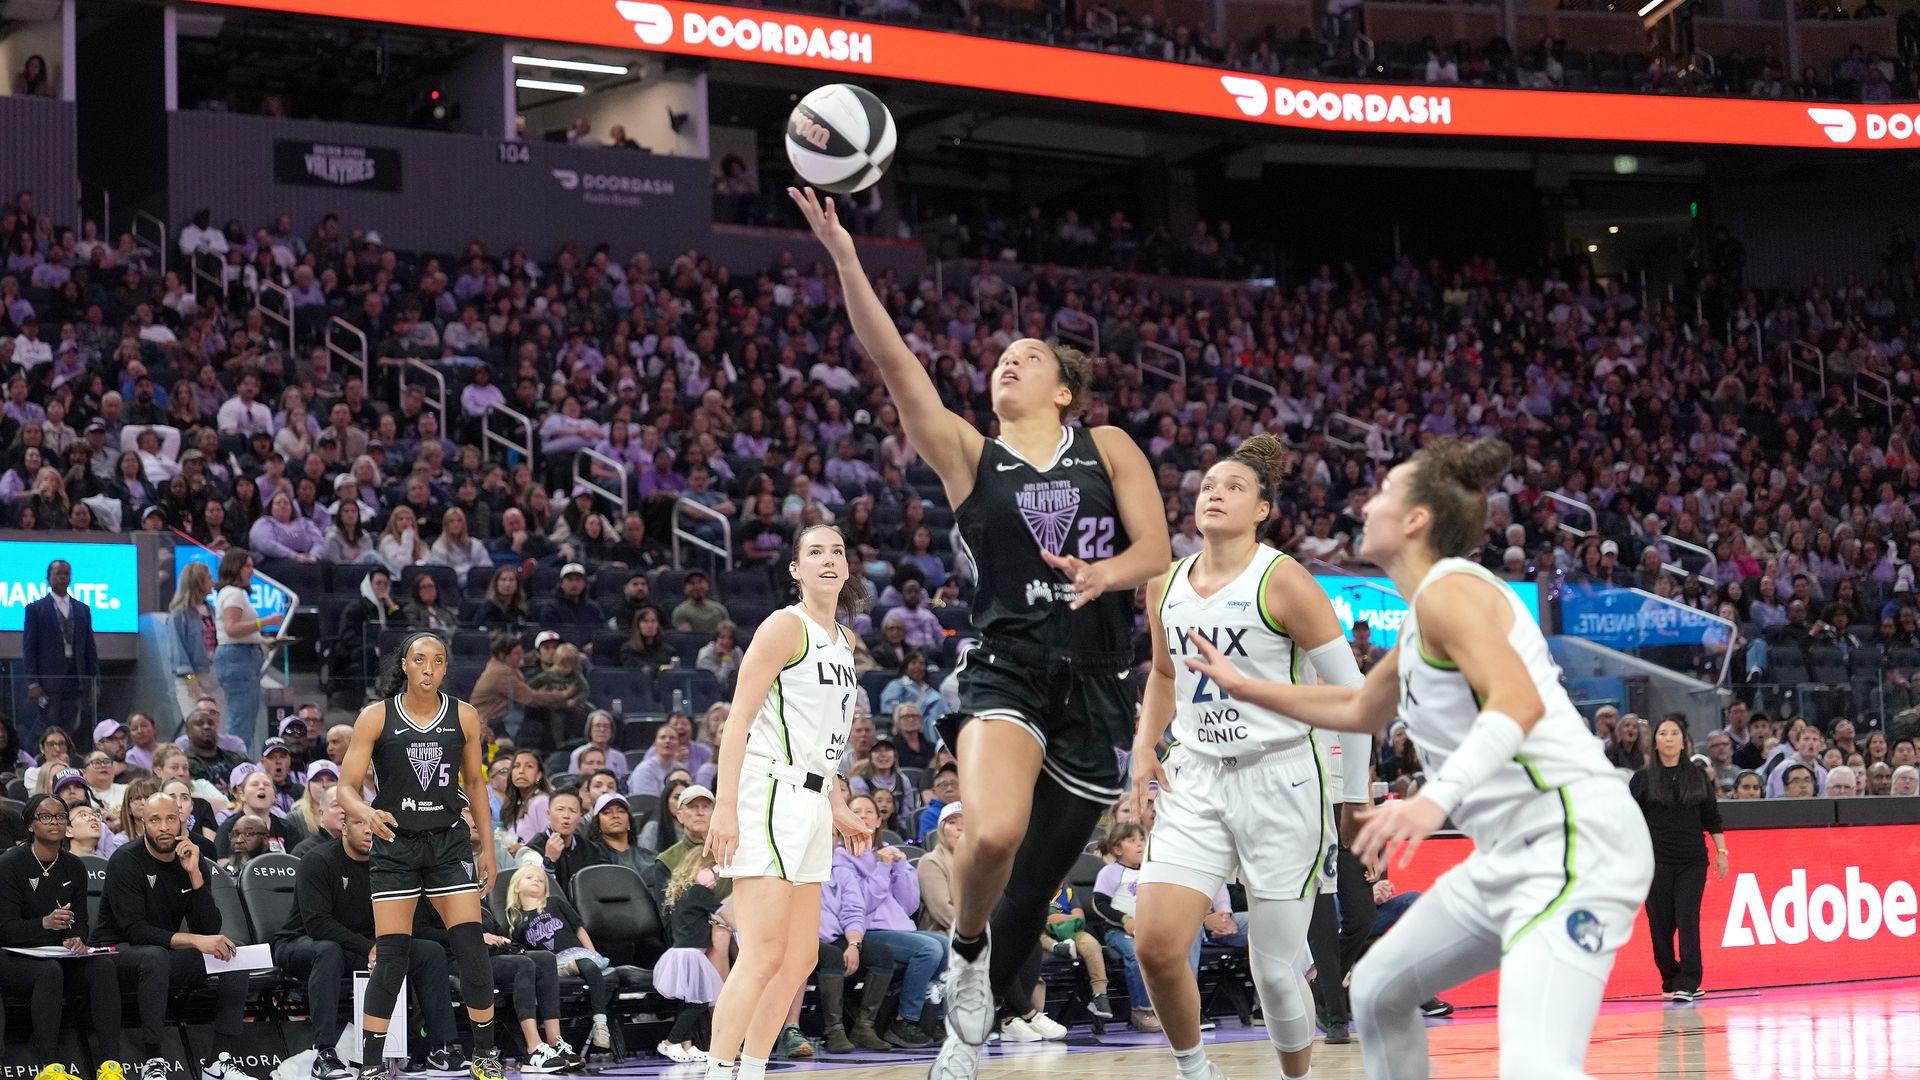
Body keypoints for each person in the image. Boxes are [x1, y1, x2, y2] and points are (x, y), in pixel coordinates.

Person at [790, 186, 1168, 1080]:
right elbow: (892, 364)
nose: (1008, 364)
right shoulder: (971, 454)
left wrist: (1103, 575)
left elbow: (1153, 547)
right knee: (991, 835)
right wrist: (847, 259)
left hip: (1100, 674)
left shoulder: (1107, 446)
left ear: (1064, 389)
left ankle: (984, 995)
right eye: (1001, 357)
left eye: (1027, 357)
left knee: (1032, 891)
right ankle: (962, 961)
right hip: (1006, 665)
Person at [1183, 435, 1655, 1080]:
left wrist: (1434, 799)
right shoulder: (1419, 618)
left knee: (1538, 1066)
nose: (1366, 503)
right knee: (1379, 990)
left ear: (1414, 521)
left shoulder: (1450, 591)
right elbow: (1355, 709)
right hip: (1511, 857)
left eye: (1382, 494)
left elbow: (1516, 704)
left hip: (1578, 840)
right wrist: (1244, 686)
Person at [1132, 433, 1368, 1073]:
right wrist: (1141, 749)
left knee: (1274, 969)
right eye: (1208, 485)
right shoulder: (1168, 582)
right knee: (1155, 944)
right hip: (1196, 777)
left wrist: (1358, 797)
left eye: (1234, 487)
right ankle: (1194, 1069)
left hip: (1283, 777)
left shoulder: (1283, 578)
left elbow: (1353, 693)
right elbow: (1161, 675)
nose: (1215, 493)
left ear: (1262, 508)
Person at [701, 523, 874, 1080]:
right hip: (768, 792)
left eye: (837, 552)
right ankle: (718, 1070)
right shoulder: (783, 626)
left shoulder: (845, 641)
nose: (829, 560)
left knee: (799, 958)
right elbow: (738, 722)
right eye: (815, 552)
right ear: (797, 570)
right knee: (762, 952)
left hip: (811, 799)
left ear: (847, 569)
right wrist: (725, 807)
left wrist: (837, 801)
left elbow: (827, 738)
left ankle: (751, 1068)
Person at [333, 631, 506, 1080]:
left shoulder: (464, 717)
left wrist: (487, 848)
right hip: (396, 844)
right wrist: (365, 812)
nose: (429, 667)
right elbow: (345, 788)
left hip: (448, 841)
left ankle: (485, 1055)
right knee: (392, 955)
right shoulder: (375, 717)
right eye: (420, 659)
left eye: (438, 660)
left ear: (446, 668)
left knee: (471, 949)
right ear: (405, 666)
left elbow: (477, 785)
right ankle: (370, 1066)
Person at [272, 803, 463, 1080]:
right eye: (360, 823)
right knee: (329, 951)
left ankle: (441, 1048)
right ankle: (324, 1054)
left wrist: (384, 945)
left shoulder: (387, 866)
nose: (369, 831)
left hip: (359, 947)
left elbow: (406, 916)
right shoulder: (318, 860)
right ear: (344, 827)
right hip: (301, 943)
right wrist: (372, 947)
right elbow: (317, 923)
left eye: (374, 825)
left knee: (428, 951)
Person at [99, 793, 259, 1080]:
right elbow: (135, 930)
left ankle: (219, 1061)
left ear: (182, 820)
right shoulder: (125, 860)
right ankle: (153, 1060)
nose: (164, 827)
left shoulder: (192, 856)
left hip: (163, 952)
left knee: (235, 953)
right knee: (154, 957)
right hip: (115, 955)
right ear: (142, 824)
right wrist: (196, 941)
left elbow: (209, 928)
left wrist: (195, 875)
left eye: (171, 818)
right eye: (155, 820)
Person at [0, 794, 127, 1080]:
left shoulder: (73, 866)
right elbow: (4, 928)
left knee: (103, 966)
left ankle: (111, 1065)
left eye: (60, 816)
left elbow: (79, 922)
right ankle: (50, 1068)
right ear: (31, 825)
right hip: (12, 956)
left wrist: (76, 939)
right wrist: (45, 924)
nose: (55, 821)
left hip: (55, 954)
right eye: (46, 816)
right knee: (49, 971)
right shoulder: (10, 864)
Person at [825, 793, 948, 1048]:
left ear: (880, 820)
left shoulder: (884, 852)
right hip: (868, 931)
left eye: (869, 812)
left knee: (946, 946)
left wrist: (901, 869)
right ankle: (904, 1019)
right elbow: (861, 905)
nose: (863, 817)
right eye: (856, 812)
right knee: (929, 949)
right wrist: (882, 869)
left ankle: (923, 1010)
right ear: (844, 820)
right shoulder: (840, 858)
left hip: (900, 929)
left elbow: (909, 905)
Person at [1630, 717, 1729, 1002]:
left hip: (1692, 861)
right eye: (1664, 733)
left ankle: (1690, 980)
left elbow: (1712, 817)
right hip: (1655, 862)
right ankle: (1670, 977)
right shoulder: (1642, 780)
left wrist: (1721, 852)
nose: (1669, 738)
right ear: (1655, 741)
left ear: (1683, 741)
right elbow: (1629, 821)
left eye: (1675, 733)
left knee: (1687, 918)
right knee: (1660, 925)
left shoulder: (1697, 776)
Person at [505, 865, 614, 1053]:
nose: (536, 881)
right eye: (530, 877)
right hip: (551, 964)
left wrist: (592, 952)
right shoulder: (517, 923)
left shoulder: (555, 903)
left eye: (541, 880)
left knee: (589, 966)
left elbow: (579, 928)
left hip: (575, 954)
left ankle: (600, 1023)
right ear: (516, 887)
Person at [654, 847, 731, 1063]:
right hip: (691, 956)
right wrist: (737, 926)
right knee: (699, 1002)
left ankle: (686, 1046)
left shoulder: (683, 893)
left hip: (681, 954)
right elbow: (724, 913)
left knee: (687, 1002)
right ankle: (670, 1042)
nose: (715, 875)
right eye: (711, 869)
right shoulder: (700, 892)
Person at [21, 558, 99, 742]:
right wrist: (33, 682)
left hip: (76, 680)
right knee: (48, 726)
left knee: (72, 726)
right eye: (58, 574)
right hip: (49, 682)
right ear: (48, 578)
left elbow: (89, 648)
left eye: (66, 574)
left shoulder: (82, 609)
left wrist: (94, 680)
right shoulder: (35, 609)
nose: (63, 577)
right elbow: (29, 648)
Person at [212, 549, 282, 752]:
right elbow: (232, 629)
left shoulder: (232, 593)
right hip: (237, 658)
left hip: (240, 657)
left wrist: (262, 640)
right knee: (240, 721)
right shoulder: (233, 593)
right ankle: (236, 768)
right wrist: (264, 622)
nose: (252, 571)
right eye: (248, 566)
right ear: (236, 568)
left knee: (243, 718)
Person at [515, 788, 606, 893]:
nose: (566, 816)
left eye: (572, 811)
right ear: (548, 814)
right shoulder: (532, 851)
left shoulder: (591, 850)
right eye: (560, 809)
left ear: (580, 816)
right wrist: (549, 861)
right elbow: (531, 892)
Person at [167, 561, 223, 724]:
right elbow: (177, 649)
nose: (213, 583)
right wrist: (190, 677)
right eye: (209, 579)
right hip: (191, 678)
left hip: (215, 673)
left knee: (217, 724)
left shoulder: (213, 610)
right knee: (196, 724)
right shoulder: (179, 615)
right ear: (198, 582)